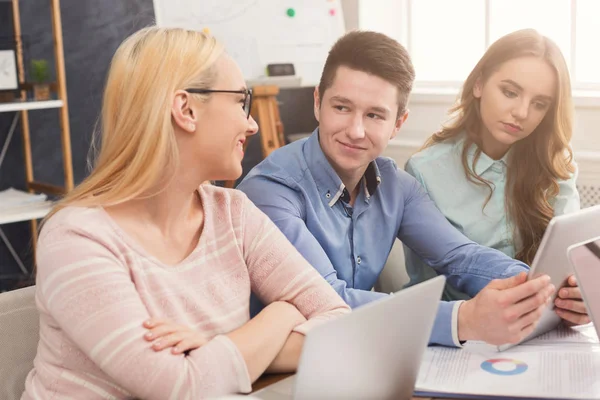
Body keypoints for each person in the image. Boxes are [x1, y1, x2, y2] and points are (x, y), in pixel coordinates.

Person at [22, 26, 350, 400]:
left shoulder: (234, 213)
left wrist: (217, 345)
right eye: (241, 101)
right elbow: (183, 387)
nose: (253, 123)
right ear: (186, 109)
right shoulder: (76, 239)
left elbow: (337, 322)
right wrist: (283, 314)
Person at [237, 30, 585, 348]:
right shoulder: (271, 191)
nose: (356, 130)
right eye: (342, 107)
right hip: (277, 369)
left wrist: (542, 287)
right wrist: (461, 319)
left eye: (375, 115)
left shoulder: (395, 186)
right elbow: (328, 299)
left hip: (358, 350)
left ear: (398, 124)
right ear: (317, 102)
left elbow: (461, 256)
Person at [404, 29, 590, 326]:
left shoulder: (556, 164)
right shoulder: (424, 171)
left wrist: (582, 300)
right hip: (465, 334)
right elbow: (428, 290)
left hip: (542, 327)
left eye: (539, 103)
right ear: (479, 84)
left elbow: (571, 267)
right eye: (510, 92)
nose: (521, 112)